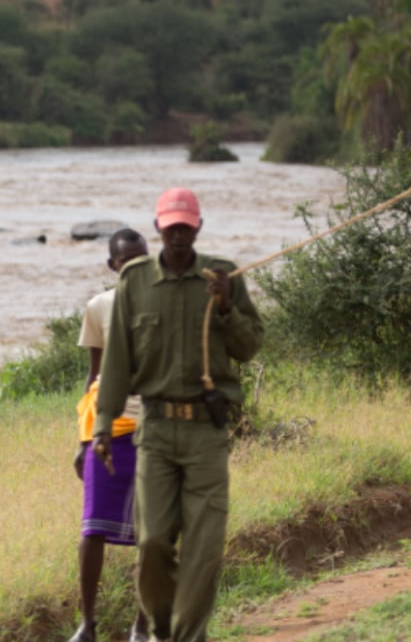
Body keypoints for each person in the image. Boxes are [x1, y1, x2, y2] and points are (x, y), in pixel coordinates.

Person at [92, 187, 263, 642]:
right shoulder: (135, 282)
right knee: (151, 544)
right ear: (158, 229)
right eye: (171, 228)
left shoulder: (224, 275)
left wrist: (226, 306)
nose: (179, 234)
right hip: (157, 431)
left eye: (186, 226)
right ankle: (167, 630)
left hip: (207, 432)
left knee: (204, 551)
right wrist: (103, 425)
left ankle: (186, 637)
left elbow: (249, 349)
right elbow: (117, 361)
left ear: (199, 227)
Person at [70, 228, 152, 642]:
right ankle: (87, 624)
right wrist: (81, 441)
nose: (136, 266)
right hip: (106, 431)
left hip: (152, 430)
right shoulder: (99, 307)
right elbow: (93, 376)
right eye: (128, 261)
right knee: (91, 529)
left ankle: (141, 626)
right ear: (113, 266)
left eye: (143, 258)